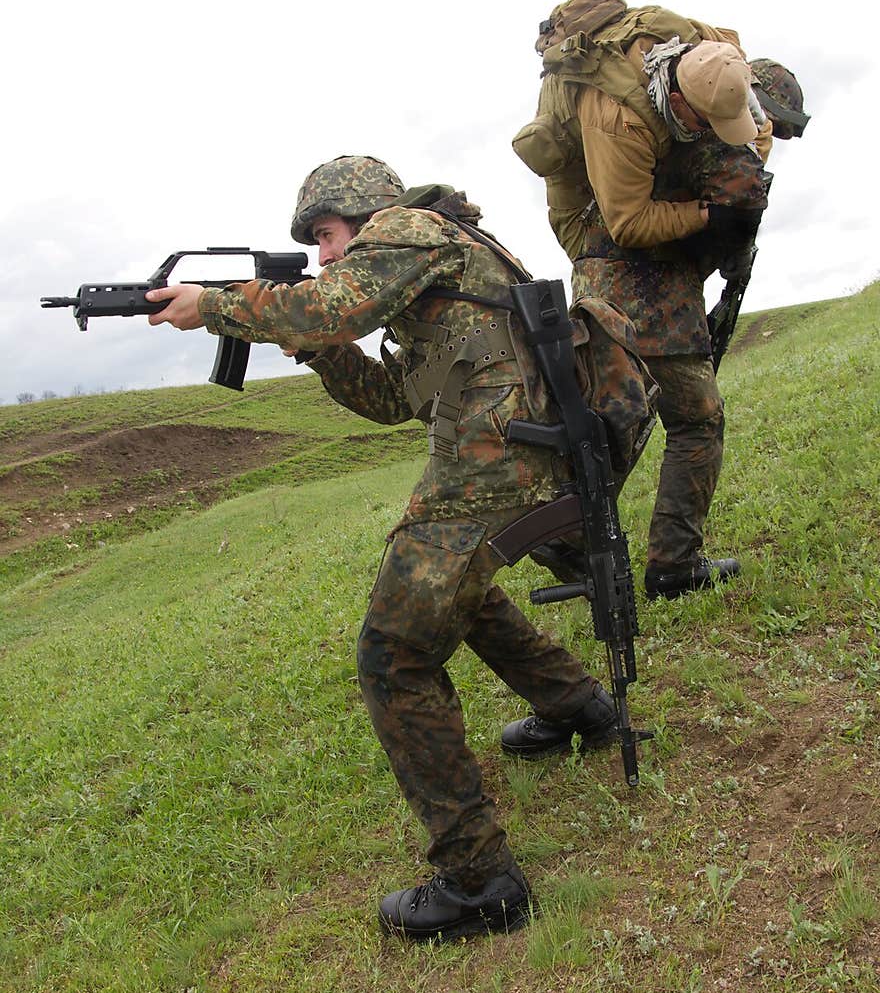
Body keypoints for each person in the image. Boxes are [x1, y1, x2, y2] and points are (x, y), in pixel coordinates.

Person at [145, 155, 637, 943]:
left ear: (364, 215)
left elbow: (327, 304)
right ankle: (577, 707)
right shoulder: (440, 281)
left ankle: (481, 883)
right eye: (315, 243)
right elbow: (396, 400)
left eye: (328, 235)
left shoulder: (409, 228)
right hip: (509, 454)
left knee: (393, 655)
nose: (324, 253)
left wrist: (220, 306)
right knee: (453, 593)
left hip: (498, 461)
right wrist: (311, 343)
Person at [512, 0, 776, 602]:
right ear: (675, 98)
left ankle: (570, 537)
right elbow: (628, 222)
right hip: (607, 244)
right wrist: (706, 215)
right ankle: (662, 562)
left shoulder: (714, 48)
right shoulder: (618, 117)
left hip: (632, 255)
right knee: (686, 418)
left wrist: (746, 161)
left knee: (619, 417)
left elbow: (749, 130)